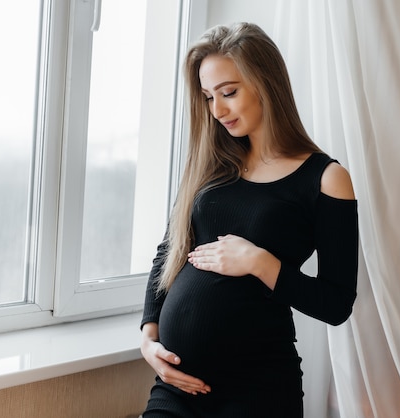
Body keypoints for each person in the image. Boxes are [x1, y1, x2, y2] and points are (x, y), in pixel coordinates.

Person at [140, 22, 358, 418]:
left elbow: (336, 303)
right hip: (176, 388)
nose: (217, 110)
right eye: (208, 97)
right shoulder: (211, 165)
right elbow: (169, 251)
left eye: (228, 93)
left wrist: (260, 263)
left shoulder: (326, 179)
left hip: (258, 390)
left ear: (266, 84)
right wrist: (149, 336)